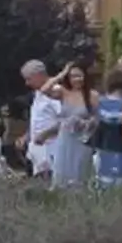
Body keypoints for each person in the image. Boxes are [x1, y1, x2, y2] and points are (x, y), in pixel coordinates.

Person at [46, 62, 98, 190]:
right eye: (73, 76)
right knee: (62, 171)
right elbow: (44, 89)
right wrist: (62, 74)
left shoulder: (92, 95)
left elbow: (97, 117)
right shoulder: (63, 92)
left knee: (80, 172)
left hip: (82, 139)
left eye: (79, 76)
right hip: (65, 137)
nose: (77, 79)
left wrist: (88, 123)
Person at [93, 66, 122, 186]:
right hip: (120, 151)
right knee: (119, 186)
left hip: (102, 150)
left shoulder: (99, 103)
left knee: (102, 184)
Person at [22, 60, 62, 180]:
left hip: (51, 148)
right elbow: (39, 119)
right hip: (38, 151)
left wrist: (45, 134)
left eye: (29, 79)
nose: (27, 83)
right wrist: (27, 135)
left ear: (39, 75)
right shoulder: (38, 94)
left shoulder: (55, 92)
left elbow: (66, 120)